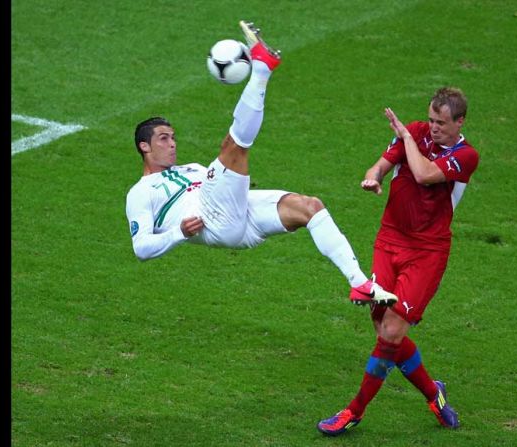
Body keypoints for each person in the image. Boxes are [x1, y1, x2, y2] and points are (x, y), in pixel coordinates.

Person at [125, 21, 396, 306]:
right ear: (144, 146)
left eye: (173, 137)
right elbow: (141, 248)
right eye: (164, 139)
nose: (172, 144)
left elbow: (223, 185)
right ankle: (262, 70)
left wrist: (235, 187)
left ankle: (360, 283)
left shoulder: (189, 168)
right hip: (212, 221)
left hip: (236, 214)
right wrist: (178, 233)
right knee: (232, 148)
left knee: (309, 207)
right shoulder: (140, 192)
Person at [317, 88, 480, 436]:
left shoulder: (466, 156)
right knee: (384, 329)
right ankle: (434, 395)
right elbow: (382, 162)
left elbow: (423, 174)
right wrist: (373, 176)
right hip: (390, 239)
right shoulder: (417, 132)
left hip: (427, 251)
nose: (433, 128)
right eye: (431, 120)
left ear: (460, 121)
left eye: (442, 122)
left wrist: (406, 136)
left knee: (391, 331)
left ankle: (354, 411)